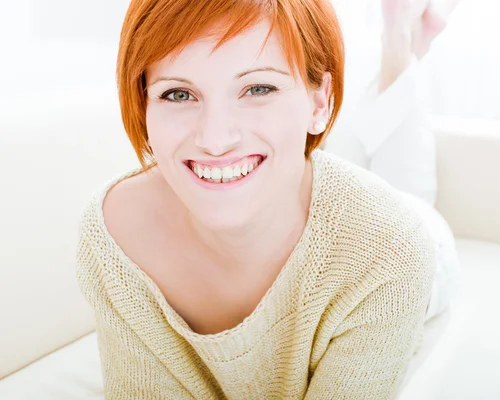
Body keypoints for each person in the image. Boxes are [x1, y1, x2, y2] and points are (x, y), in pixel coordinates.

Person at [75, 0, 435, 398]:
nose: (215, 140)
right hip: (295, 178)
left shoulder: (392, 247)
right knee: (340, 148)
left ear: (320, 101)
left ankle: (401, 41)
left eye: (258, 88)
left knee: (403, 182)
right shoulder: (114, 237)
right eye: (178, 94)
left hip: (408, 234)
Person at [326, 0, 460, 322]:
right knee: (393, 194)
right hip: (412, 240)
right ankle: (403, 41)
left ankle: (404, 42)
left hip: (407, 240)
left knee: (355, 157)